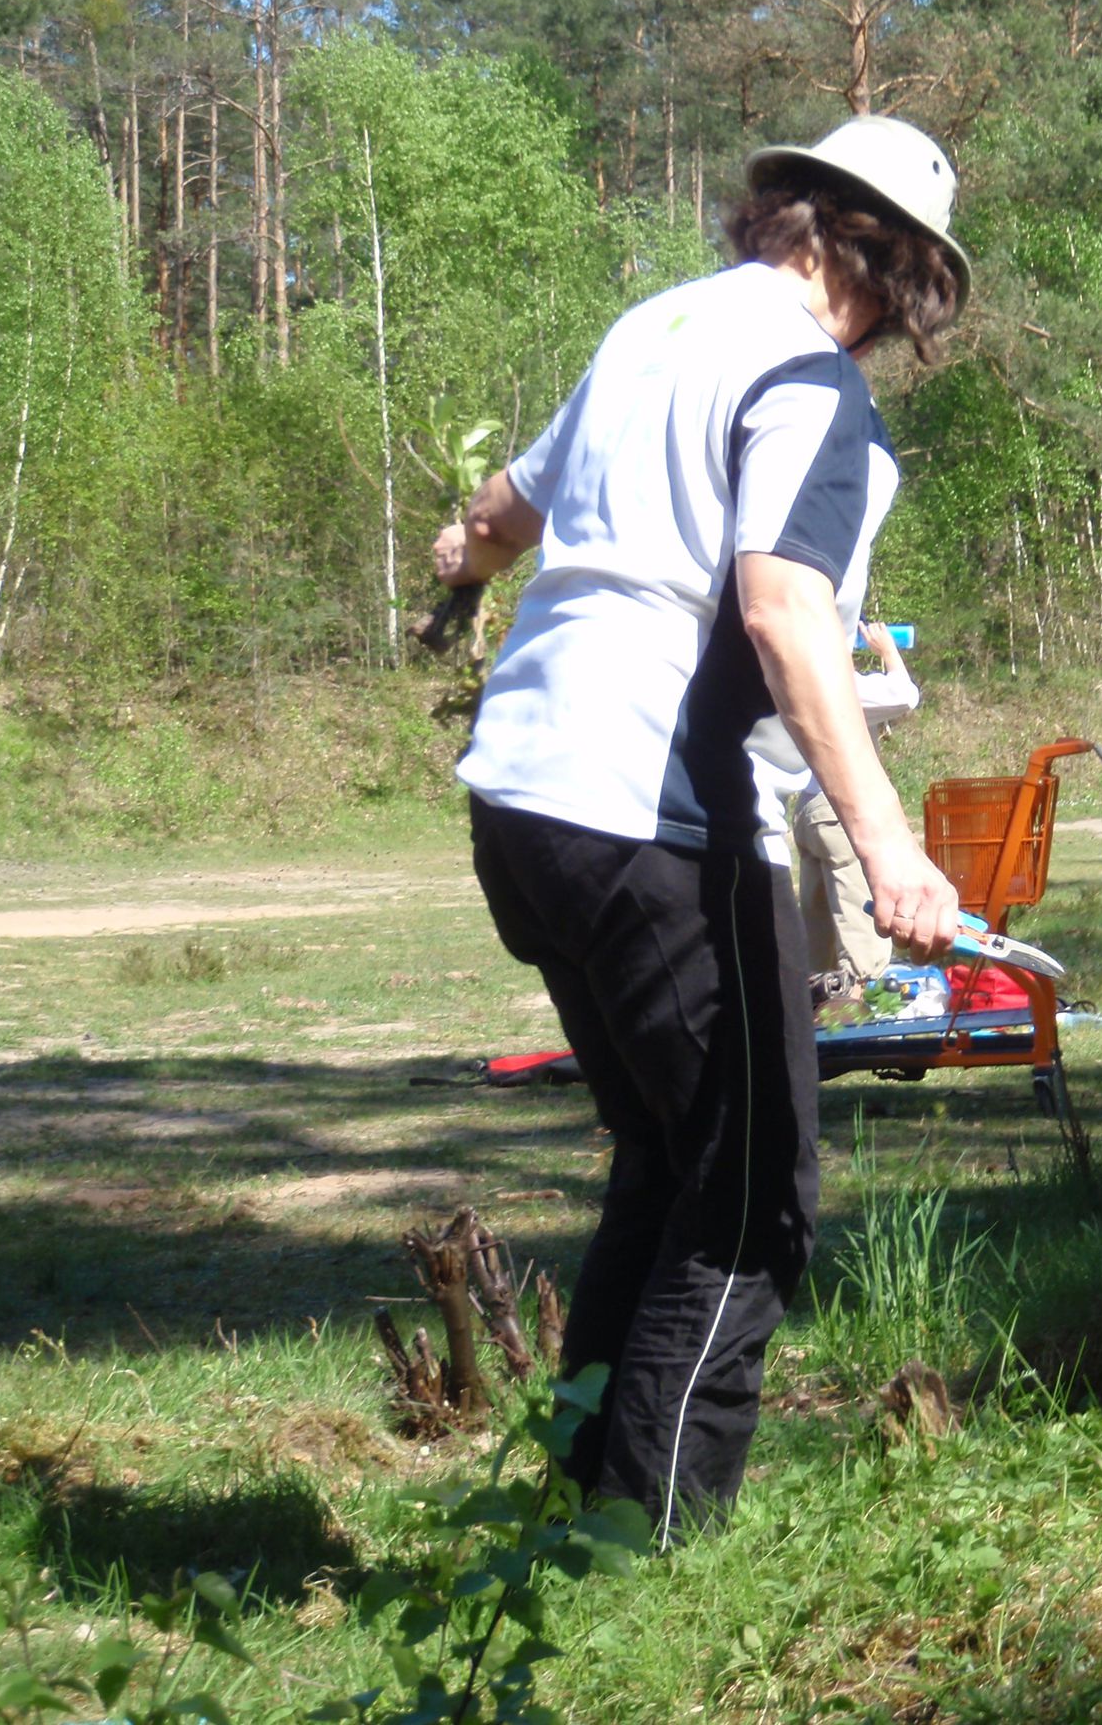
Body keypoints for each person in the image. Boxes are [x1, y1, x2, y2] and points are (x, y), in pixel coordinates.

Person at [428, 116, 970, 1543]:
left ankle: (579, 1490)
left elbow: (499, 513)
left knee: (669, 1160)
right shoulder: (809, 381)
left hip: (522, 798)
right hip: (656, 813)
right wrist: (890, 846)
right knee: (752, 1199)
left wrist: (461, 563)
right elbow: (785, 608)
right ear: (891, 271)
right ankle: (648, 1537)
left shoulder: (650, 330)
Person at [791, 621, 919, 991]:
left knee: (819, 917)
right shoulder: (841, 687)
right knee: (856, 902)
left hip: (807, 808)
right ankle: (861, 990)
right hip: (838, 809)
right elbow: (904, 695)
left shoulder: (797, 683)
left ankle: (815, 992)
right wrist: (887, 650)